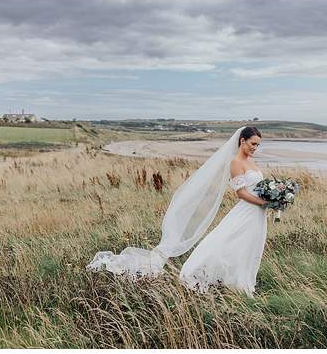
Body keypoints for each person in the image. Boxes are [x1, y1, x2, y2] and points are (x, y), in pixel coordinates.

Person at [87, 126, 270, 297]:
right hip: (247, 211)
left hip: (257, 214)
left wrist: (272, 197)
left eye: (258, 145)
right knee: (225, 241)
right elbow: (241, 193)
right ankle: (201, 273)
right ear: (242, 141)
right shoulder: (236, 162)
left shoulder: (251, 161)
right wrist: (263, 202)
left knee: (249, 245)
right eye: (253, 144)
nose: (255, 148)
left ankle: (241, 282)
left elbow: (257, 187)